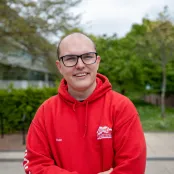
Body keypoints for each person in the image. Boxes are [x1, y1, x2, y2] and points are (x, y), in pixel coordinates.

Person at [23, 32, 146, 174]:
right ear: (59, 66)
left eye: (87, 57)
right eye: (70, 59)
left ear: (97, 61)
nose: (80, 65)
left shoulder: (121, 107)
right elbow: (35, 165)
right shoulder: (46, 111)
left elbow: (133, 168)